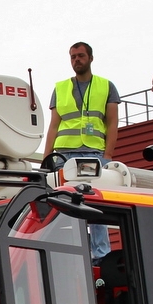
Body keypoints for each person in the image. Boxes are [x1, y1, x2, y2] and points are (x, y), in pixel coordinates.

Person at [42, 41, 119, 260]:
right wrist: (47, 157)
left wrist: (108, 156)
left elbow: (112, 123)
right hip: (64, 153)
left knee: (93, 202)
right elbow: (54, 125)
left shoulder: (106, 86)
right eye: (73, 56)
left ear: (91, 58)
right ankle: (70, 251)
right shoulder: (60, 88)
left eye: (81, 56)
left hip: (93, 153)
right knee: (63, 202)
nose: (77, 60)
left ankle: (100, 254)